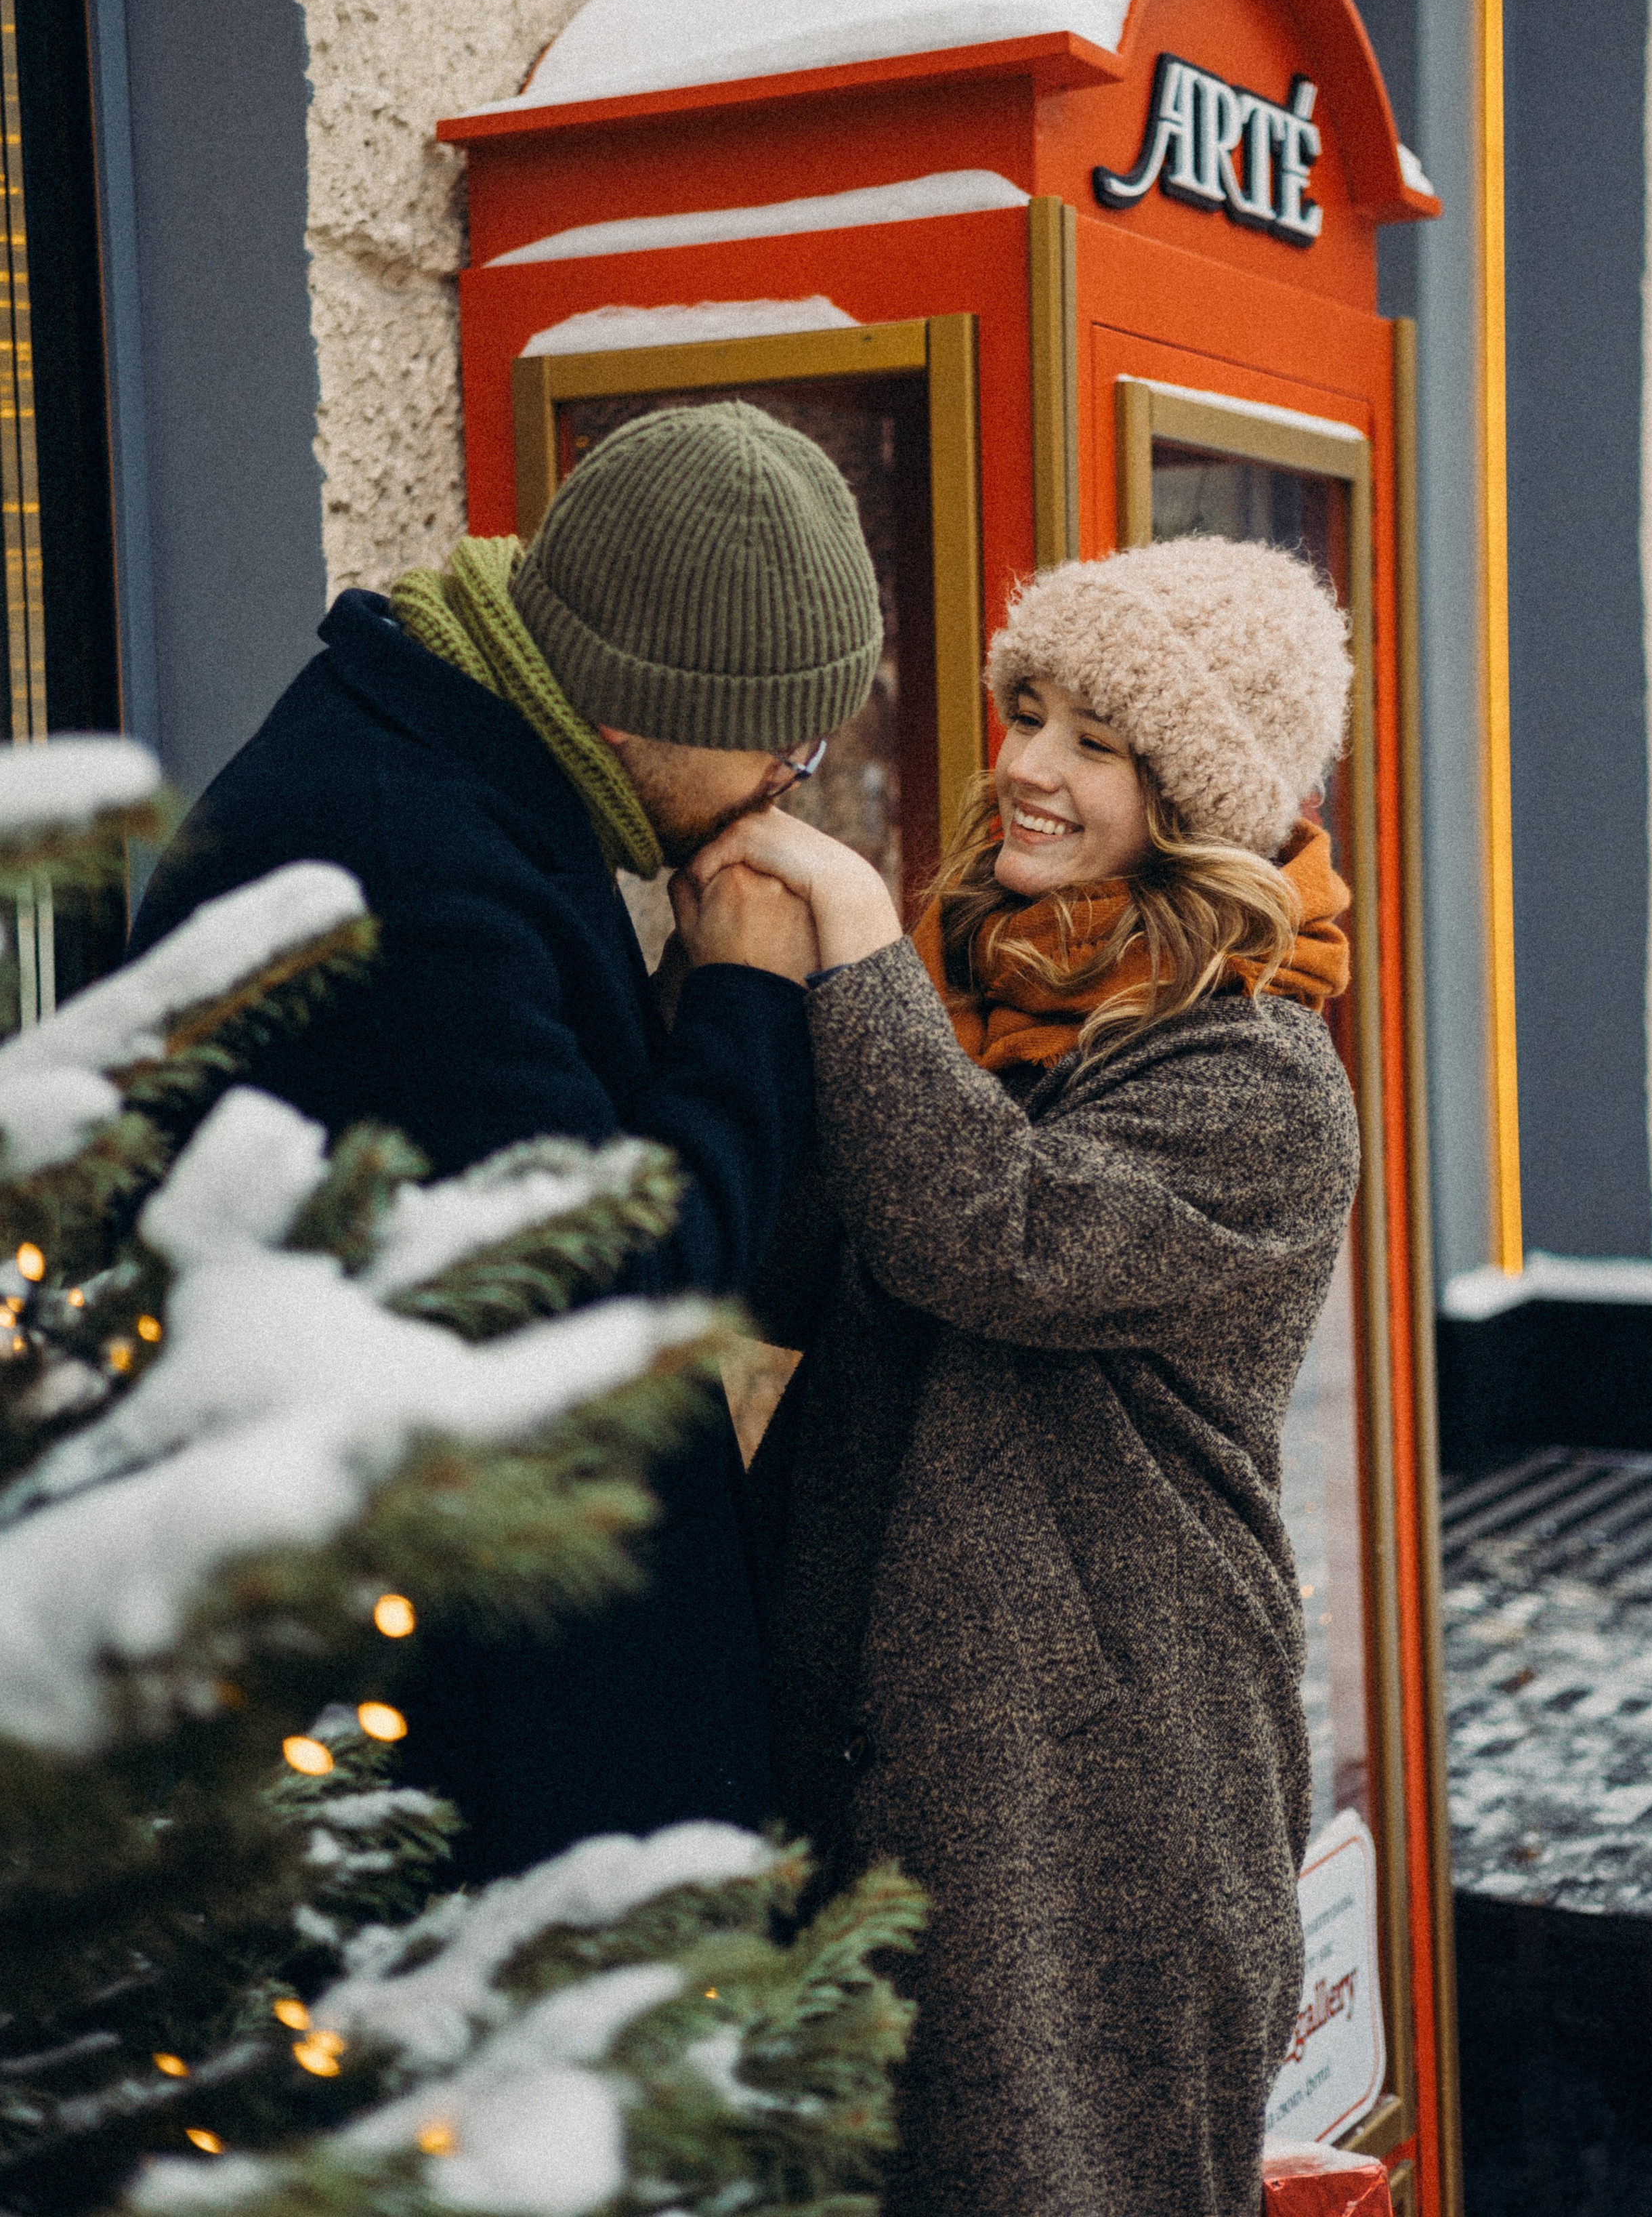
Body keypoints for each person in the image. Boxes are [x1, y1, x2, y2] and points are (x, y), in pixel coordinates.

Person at [684, 532, 1363, 2217]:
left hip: (1099, 1781)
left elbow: (993, 1233)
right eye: (1023, 711)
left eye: (1092, 739)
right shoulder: (974, 1007)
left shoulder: (1261, 1080)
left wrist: (845, 922)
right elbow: (788, 1263)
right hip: (874, 1739)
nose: (1025, 769)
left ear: (1195, 790)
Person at [127, 400, 881, 1875]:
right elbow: (617, 1297)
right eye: (782, 739)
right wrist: (742, 992)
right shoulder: (414, 865)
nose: (789, 780)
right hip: (475, 1766)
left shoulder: (445, 765)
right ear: (635, 701)